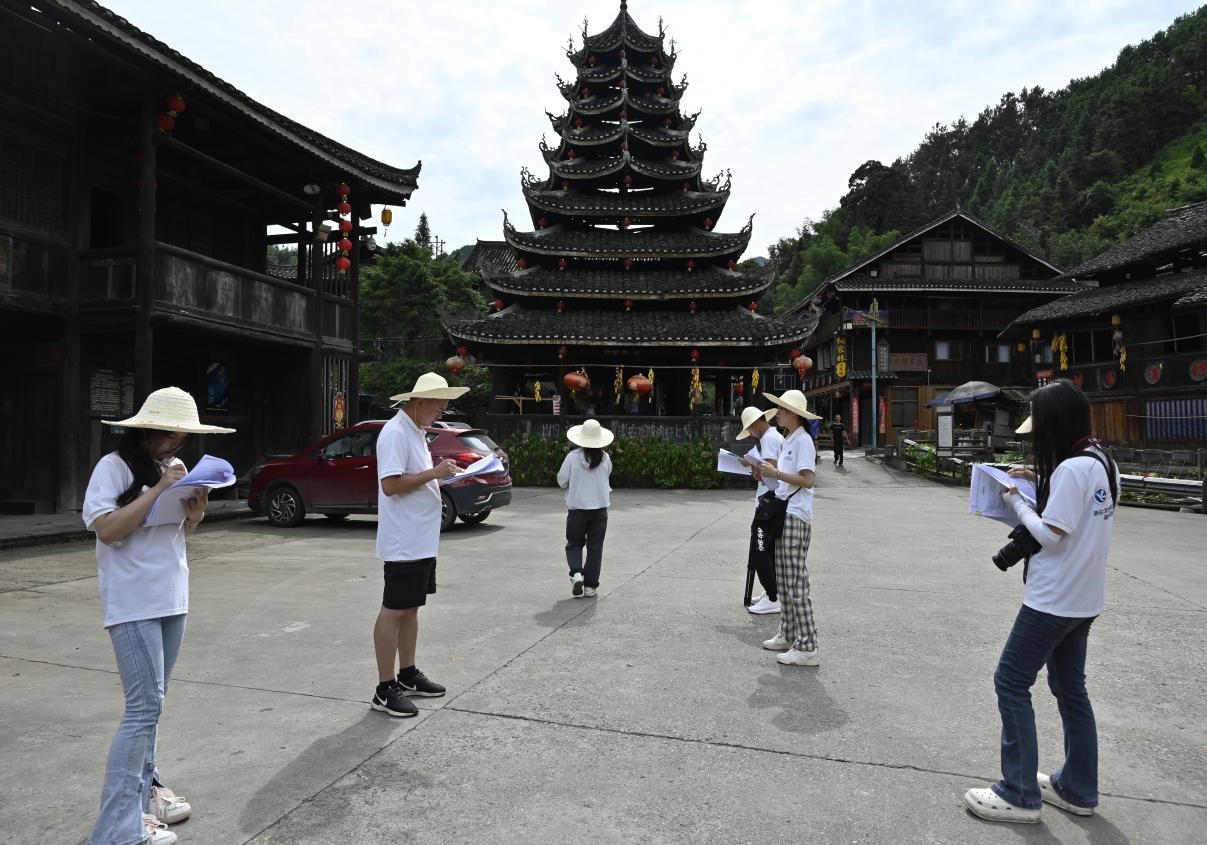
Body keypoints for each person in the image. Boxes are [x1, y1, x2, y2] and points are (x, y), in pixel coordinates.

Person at [82, 387, 236, 845]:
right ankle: (117, 827)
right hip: (133, 600)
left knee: (154, 705)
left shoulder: (171, 468)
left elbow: (175, 531)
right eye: (171, 435)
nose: (177, 443)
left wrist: (195, 514)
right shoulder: (112, 468)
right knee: (143, 707)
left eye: (182, 437)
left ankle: (146, 796)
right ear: (147, 430)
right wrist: (162, 488)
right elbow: (107, 529)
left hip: (171, 597)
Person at [963, 379, 1119, 824]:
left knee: (1011, 682)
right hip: (1085, 598)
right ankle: (1078, 789)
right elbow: (1081, 511)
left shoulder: (1071, 470)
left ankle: (1018, 793)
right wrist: (1038, 479)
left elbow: (1051, 535)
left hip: (1052, 599)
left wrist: (1017, 503)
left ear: (1055, 424)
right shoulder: (1102, 461)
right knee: (1071, 690)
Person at [370, 372, 467, 718]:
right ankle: (384, 688)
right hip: (404, 540)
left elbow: (414, 480)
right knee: (393, 609)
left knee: (411, 608)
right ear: (419, 401)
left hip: (421, 538)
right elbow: (391, 485)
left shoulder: (416, 431)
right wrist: (435, 473)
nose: (441, 412)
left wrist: (440, 475)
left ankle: (408, 674)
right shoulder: (395, 432)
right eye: (438, 406)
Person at [757, 390, 822, 666]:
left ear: (794, 414)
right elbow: (784, 481)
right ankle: (789, 633)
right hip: (786, 513)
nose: (778, 414)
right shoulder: (788, 440)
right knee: (784, 580)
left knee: (795, 582)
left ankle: (807, 645)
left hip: (796, 515)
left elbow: (808, 480)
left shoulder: (803, 441)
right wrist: (766, 474)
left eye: (782, 410)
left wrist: (776, 473)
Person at [557, 418, 614, 598]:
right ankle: (590, 587)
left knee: (574, 544)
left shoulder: (572, 457)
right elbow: (607, 475)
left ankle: (576, 574)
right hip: (600, 510)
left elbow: (561, 481)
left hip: (577, 509)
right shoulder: (605, 458)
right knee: (595, 548)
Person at [736, 404, 782, 615]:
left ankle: (773, 597)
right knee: (768, 551)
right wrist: (756, 470)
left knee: (759, 549)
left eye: (750, 430)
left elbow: (770, 470)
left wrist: (753, 465)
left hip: (769, 502)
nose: (751, 434)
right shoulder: (772, 437)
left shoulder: (769, 439)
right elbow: (767, 472)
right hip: (771, 499)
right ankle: (772, 592)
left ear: (755, 424)